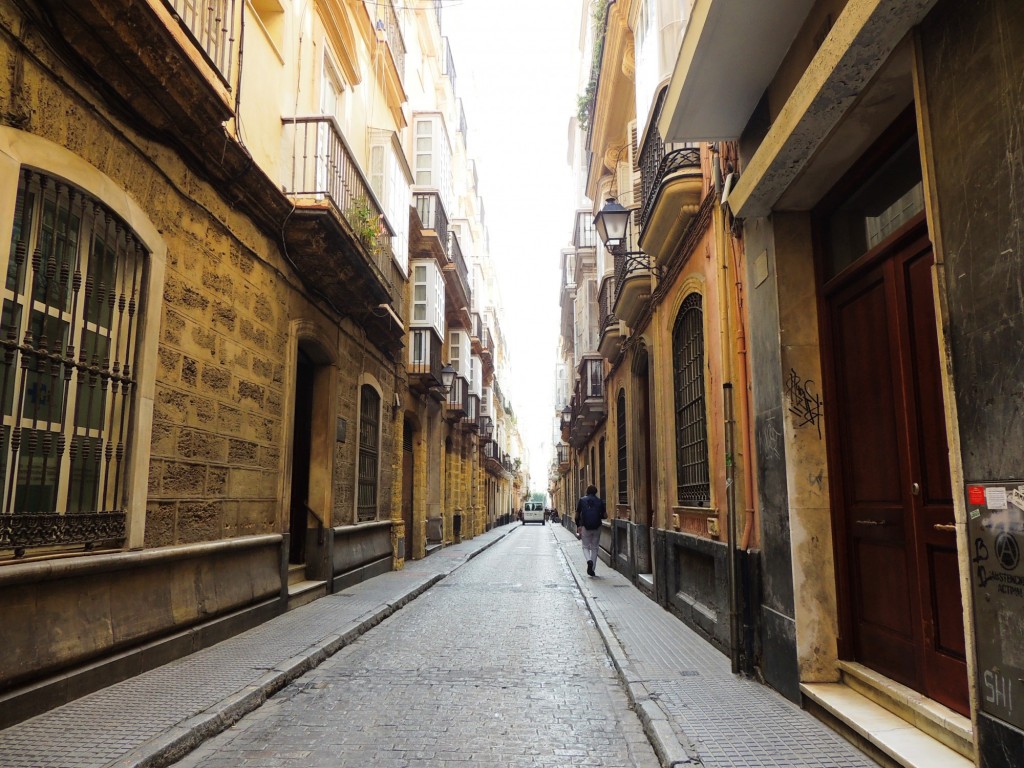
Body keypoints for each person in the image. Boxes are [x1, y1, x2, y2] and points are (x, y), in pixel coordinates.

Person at [574, 485, 606, 577]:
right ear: (596, 491)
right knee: (595, 548)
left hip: (585, 527)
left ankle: (589, 561)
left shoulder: (581, 500)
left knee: (585, 547)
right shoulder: (600, 501)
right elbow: (605, 515)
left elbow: (577, 516)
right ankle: (592, 570)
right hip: (597, 527)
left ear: (587, 491)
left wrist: (578, 525)